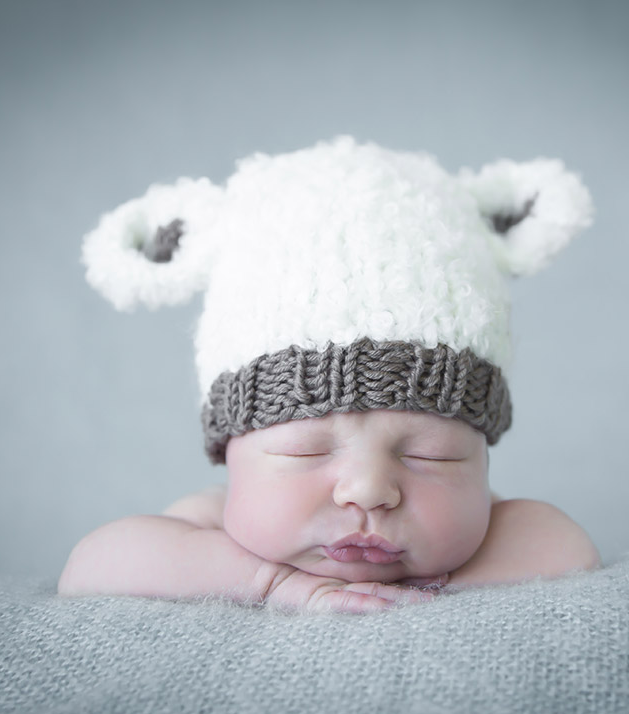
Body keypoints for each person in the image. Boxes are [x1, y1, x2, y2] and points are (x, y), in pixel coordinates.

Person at [58, 137, 600, 612]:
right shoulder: (209, 524)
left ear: (482, 458)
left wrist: (441, 580)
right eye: (305, 451)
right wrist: (272, 583)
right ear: (230, 452)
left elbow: (565, 547)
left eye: (433, 455)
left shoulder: (485, 525)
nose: (368, 490)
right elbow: (92, 564)